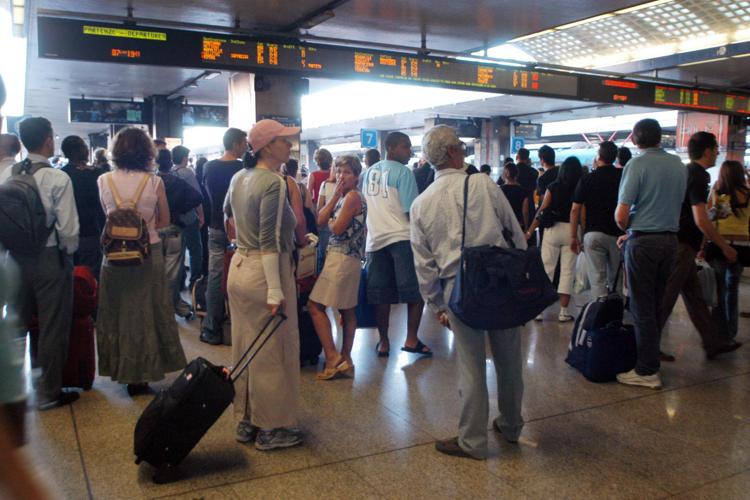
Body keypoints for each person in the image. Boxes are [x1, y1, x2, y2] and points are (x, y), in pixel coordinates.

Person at [411, 125, 526, 460]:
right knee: (509, 359)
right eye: (460, 146)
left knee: (471, 365)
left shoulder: (421, 204)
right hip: (500, 282)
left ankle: (473, 442)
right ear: (452, 153)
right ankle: (511, 425)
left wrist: (437, 305)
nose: (463, 151)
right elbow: (516, 235)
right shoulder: (484, 184)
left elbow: (425, 265)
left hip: (458, 289)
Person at [224, 119, 302, 450]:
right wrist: (275, 290)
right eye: (285, 141)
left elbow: (226, 213)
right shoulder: (273, 182)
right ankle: (271, 429)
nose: (290, 146)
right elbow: (270, 239)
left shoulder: (239, 177)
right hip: (266, 271)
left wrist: (243, 240)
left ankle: (246, 420)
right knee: (271, 351)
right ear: (268, 146)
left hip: (239, 267)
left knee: (244, 347)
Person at [97, 127, 186, 396]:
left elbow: (108, 216)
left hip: (113, 255)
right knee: (148, 310)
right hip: (149, 253)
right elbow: (164, 220)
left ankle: (122, 368)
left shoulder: (103, 180)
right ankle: (144, 373)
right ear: (148, 152)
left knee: (118, 312)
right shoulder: (154, 182)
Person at [0, 117, 80, 410]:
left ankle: (9, 388)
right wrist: (67, 254)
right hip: (48, 259)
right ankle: (48, 392)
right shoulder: (58, 178)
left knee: (15, 324)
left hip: (14, 259)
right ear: (49, 140)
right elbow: (69, 230)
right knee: (52, 325)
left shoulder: (8, 174)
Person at [614, 118, 687, 389]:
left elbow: (622, 215)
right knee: (656, 306)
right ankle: (650, 360)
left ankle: (647, 370)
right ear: (660, 138)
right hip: (670, 242)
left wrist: (628, 228)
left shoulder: (637, 165)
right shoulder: (679, 166)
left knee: (641, 307)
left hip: (643, 244)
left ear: (634, 139)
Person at [362, 131, 430, 357]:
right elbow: (410, 211)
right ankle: (411, 340)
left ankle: (383, 343)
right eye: (406, 146)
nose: (409, 151)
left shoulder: (368, 172)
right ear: (391, 147)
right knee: (414, 291)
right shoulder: (404, 172)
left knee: (380, 295)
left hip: (375, 240)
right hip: (401, 239)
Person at [308, 155, 367, 380]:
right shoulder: (343, 196)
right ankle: (345, 358)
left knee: (315, 305)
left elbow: (336, 228)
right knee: (347, 309)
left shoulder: (352, 197)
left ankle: (333, 356)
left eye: (347, 173)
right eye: (339, 171)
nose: (342, 176)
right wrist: (333, 198)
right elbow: (320, 219)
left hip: (341, 259)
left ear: (356, 176)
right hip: (348, 259)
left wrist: (332, 218)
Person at [200, 128, 246, 345]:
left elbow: (208, 199)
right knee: (244, 275)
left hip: (216, 227)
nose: (246, 147)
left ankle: (212, 329)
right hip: (242, 230)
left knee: (216, 276)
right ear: (236, 144)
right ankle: (242, 326)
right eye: (244, 143)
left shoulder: (209, 167)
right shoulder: (242, 168)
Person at [525, 157, 582, 322]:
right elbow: (581, 214)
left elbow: (541, 211)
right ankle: (563, 312)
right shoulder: (580, 187)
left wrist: (529, 231)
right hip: (572, 230)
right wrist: (581, 234)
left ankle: (539, 311)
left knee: (546, 269)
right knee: (567, 271)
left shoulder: (553, 187)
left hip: (553, 230)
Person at [570, 141, 624, 298]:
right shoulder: (622, 177)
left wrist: (574, 236)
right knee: (616, 280)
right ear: (614, 157)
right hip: (617, 234)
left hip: (593, 234)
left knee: (597, 281)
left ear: (598, 156)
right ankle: (616, 316)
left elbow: (575, 210)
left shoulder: (588, 179)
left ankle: (600, 316)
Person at [706, 159, 749, 346]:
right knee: (732, 290)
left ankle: (719, 334)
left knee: (719, 291)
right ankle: (730, 333)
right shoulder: (748, 194)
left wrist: (701, 247)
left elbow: (707, 220)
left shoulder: (716, 194)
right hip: (742, 247)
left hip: (718, 245)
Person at [156, 149, 200, 319]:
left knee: (157, 272)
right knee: (172, 273)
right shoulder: (175, 181)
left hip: (155, 231)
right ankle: (174, 306)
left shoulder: (150, 181)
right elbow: (197, 197)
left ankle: (164, 308)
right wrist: (180, 212)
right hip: (175, 228)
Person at [60, 135, 106, 280]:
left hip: (64, 233)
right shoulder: (95, 174)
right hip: (91, 231)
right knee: (91, 275)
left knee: (70, 274)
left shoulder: (61, 174)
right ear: (84, 151)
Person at [171, 145, 204, 291]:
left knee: (179, 250)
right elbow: (196, 196)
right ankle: (195, 281)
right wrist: (201, 215)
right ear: (184, 158)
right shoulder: (187, 172)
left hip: (175, 218)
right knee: (195, 250)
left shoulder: (169, 172)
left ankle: (179, 281)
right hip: (189, 217)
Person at [514, 148, 539, 232]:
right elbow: (534, 188)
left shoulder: (512, 171)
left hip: (514, 205)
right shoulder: (534, 172)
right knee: (529, 232)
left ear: (517, 157)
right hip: (529, 204)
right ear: (528, 158)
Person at [499, 163, 529, 230]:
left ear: (505, 174)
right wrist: (526, 227)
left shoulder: (499, 190)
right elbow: (525, 211)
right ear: (516, 174)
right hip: (518, 223)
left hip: (504, 225)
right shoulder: (523, 191)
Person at [194, 156, 210, 276]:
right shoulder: (208, 177)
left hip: (198, 212)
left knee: (201, 239)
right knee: (205, 240)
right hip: (208, 210)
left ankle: (202, 268)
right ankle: (206, 265)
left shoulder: (194, 178)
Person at [535, 145, 558, 210]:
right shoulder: (562, 173)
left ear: (542, 159)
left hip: (550, 215)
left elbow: (541, 201)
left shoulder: (542, 179)